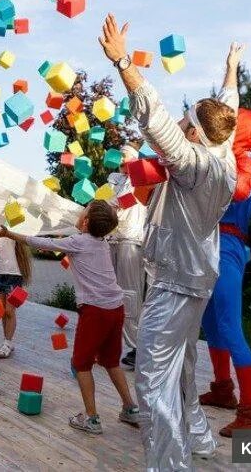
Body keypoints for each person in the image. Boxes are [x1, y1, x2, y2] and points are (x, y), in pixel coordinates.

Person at [99, 12, 243, 470]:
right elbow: (229, 110)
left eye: (186, 122)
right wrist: (231, 70)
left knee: (151, 379)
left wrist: (123, 63)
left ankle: (169, 464)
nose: (180, 124)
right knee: (182, 369)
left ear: (197, 134)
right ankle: (198, 440)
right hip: (197, 282)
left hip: (174, 286)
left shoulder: (194, 162)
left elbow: (153, 116)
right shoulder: (224, 158)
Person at [0, 200, 141, 433]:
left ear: (86, 221)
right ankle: (130, 409)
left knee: (81, 364)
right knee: (111, 362)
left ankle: (91, 418)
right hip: (115, 309)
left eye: (83, 212)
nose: (79, 214)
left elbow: (41, 242)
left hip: (95, 311)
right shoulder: (103, 241)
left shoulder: (78, 241)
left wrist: (8, 233)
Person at [200, 109, 251, 436]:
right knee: (210, 323)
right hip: (212, 243)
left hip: (226, 245)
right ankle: (223, 390)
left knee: (229, 325)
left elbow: (234, 192)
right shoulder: (232, 158)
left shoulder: (249, 163)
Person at [106, 144, 147, 370]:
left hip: (131, 240)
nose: (120, 159)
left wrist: (100, 207)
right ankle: (113, 343)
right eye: (119, 155)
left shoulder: (139, 178)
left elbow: (124, 202)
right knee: (112, 293)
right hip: (113, 239)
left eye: (125, 155)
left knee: (130, 294)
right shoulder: (116, 179)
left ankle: (140, 346)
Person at [0, 230, 32, 359]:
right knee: (2, 311)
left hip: (13, 274)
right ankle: (6, 341)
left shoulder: (8, 229)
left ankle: (8, 342)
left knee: (10, 311)